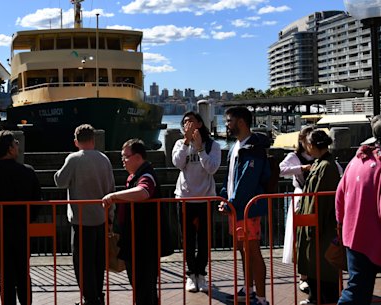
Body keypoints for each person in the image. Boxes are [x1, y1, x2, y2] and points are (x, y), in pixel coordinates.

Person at [0, 130, 42, 305]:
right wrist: (28, 218)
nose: (18, 145)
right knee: (23, 274)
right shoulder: (28, 171)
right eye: (15, 143)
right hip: (21, 230)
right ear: (10, 149)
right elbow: (37, 202)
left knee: (5, 276)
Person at [54, 124, 115, 305]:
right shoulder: (104, 159)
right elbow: (111, 190)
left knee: (82, 263)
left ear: (76, 141)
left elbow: (60, 181)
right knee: (98, 262)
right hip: (101, 218)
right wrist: (110, 217)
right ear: (93, 139)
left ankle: (89, 299)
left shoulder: (74, 159)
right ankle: (98, 295)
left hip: (81, 220)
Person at [218, 106, 271, 305]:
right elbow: (230, 178)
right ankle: (248, 289)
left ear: (241, 122)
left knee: (253, 250)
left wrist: (230, 203)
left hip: (248, 208)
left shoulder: (253, 149)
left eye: (229, 121)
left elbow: (247, 181)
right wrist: (225, 198)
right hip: (237, 207)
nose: (226, 124)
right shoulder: (236, 147)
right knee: (243, 249)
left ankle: (262, 297)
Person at [102, 139, 160, 305]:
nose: (123, 160)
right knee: (140, 286)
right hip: (135, 241)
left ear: (138, 157)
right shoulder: (135, 176)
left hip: (143, 242)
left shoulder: (147, 175)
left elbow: (143, 192)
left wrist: (114, 196)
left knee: (144, 286)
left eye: (125, 156)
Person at [172, 111, 221, 293]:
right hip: (184, 198)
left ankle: (201, 274)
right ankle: (191, 274)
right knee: (188, 239)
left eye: (191, 121)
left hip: (206, 198)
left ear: (199, 123)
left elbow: (212, 168)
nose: (188, 125)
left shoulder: (212, 145)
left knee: (204, 239)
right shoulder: (180, 143)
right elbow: (177, 163)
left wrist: (200, 148)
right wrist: (186, 142)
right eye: (184, 122)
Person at [336, 115, 381, 305]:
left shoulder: (357, 160)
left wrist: (340, 225)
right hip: (374, 234)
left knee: (356, 289)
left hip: (353, 234)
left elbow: (339, 195)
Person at [296, 129, 340, 305]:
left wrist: (314, 226)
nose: (306, 147)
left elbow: (321, 201)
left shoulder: (326, 166)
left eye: (308, 143)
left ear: (314, 145)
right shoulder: (320, 163)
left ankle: (323, 299)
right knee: (312, 263)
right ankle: (314, 297)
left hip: (320, 226)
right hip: (312, 223)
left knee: (322, 264)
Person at [279, 126, 314, 294]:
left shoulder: (319, 155)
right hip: (301, 198)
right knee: (300, 237)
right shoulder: (295, 156)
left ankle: (314, 274)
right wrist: (302, 168)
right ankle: (303, 276)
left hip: (316, 199)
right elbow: (279, 169)